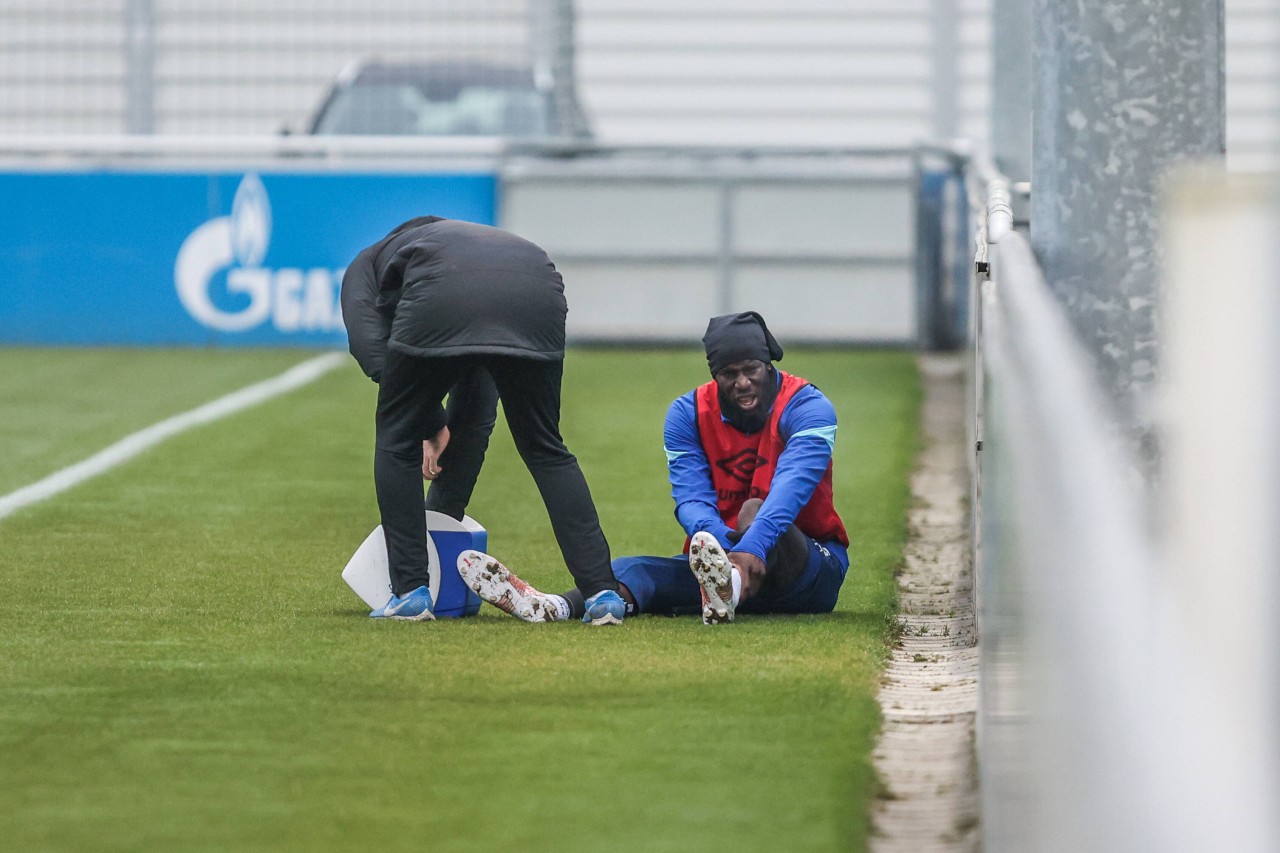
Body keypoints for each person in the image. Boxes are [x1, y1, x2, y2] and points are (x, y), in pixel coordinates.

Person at [458, 311, 849, 625]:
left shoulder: (808, 407)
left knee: (756, 510)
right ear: (714, 375)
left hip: (809, 571)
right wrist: (714, 541)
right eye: (729, 374)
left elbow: (789, 491)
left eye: (752, 370)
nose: (743, 383)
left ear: (768, 364)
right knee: (635, 570)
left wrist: (742, 551)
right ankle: (552, 607)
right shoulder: (687, 414)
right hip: (725, 558)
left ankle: (729, 583)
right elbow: (690, 498)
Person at [340, 215, 626, 625]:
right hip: (538, 288)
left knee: (396, 435)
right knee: (545, 447)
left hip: (449, 294)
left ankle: (409, 593)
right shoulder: (456, 245)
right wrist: (439, 434)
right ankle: (602, 593)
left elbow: (373, 353)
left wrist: (426, 422)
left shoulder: (365, 267)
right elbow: (475, 401)